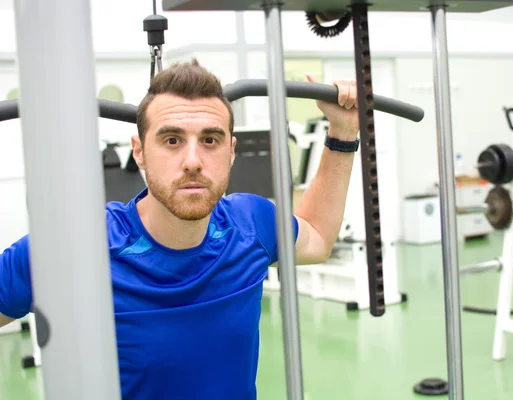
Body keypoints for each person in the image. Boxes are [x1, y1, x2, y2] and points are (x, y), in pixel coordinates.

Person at [0, 58, 360, 399]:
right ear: (139, 151)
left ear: (231, 151)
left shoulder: (253, 223)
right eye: (172, 140)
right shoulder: (77, 248)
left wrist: (343, 132)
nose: (192, 162)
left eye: (210, 140)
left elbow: (316, 235)